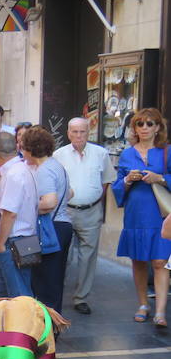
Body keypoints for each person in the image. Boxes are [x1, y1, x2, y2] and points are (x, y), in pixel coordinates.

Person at [111, 108, 171, 327]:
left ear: (157, 128)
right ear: (134, 128)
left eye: (149, 123)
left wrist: (161, 178)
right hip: (136, 214)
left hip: (160, 215)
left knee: (160, 262)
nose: (144, 127)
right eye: (140, 124)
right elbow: (117, 186)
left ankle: (161, 311)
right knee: (138, 261)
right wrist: (127, 180)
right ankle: (143, 304)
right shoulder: (127, 154)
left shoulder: (167, 151)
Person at [54, 117, 115, 314]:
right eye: (75, 132)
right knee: (64, 254)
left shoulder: (101, 153)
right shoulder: (58, 155)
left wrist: (95, 201)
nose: (79, 136)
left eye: (83, 132)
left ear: (88, 133)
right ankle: (56, 292)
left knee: (88, 257)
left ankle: (81, 297)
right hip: (66, 211)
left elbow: (106, 181)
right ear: (68, 133)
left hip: (91, 211)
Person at [0, 131, 38, 298]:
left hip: (14, 240)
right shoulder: (22, 169)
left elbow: (9, 213)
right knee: (10, 290)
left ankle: (24, 324)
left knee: (18, 293)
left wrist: (0, 244)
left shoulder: (13, 174)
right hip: (26, 238)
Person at [24, 125, 73, 314]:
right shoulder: (56, 165)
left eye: (23, 147)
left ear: (31, 149)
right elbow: (70, 193)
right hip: (61, 226)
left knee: (44, 283)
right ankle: (53, 325)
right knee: (53, 281)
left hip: (49, 228)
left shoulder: (44, 170)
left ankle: (48, 328)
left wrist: (26, 207)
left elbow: (50, 201)